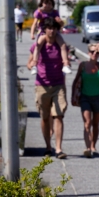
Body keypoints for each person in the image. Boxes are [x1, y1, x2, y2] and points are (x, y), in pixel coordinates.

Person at [27, 23, 69, 158]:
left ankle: (58, 149)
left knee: (58, 115)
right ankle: (48, 146)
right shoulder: (37, 46)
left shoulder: (60, 44)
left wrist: (66, 65)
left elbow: (66, 60)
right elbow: (29, 63)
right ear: (44, 30)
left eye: (54, 28)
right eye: (49, 28)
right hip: (42, 85)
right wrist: (32, 65)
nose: (52, 31)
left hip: (58, 85)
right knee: (45, 118)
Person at [70, 42, 99, 158]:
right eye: (92, 52)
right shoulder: (83, 65)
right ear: (88, 52)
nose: (94, 54)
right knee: (87, 123)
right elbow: (76, 80)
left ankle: (93, 146)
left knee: (96, 124)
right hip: (85, 97)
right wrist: (73, 95)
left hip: (98, 98)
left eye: (96, 52)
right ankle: (88, 148)